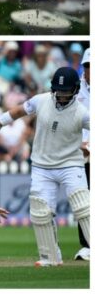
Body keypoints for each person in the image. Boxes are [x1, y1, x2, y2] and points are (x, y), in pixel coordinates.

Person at [0, 66, 89, 266]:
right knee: (40, 212)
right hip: (42, 165)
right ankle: (50, 257)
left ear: (75, 90)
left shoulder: (82, 113)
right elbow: (18, 111)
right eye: (59, 92)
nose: (62, 96)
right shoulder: (40, 100)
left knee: (84, 206)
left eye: (66, 92)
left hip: (71, 165)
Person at [75, 48, 90, 261]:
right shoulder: (75, 87)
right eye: (88, 67)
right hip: (81, 152)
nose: (90, 71)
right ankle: (87, 245)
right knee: (82, 200)